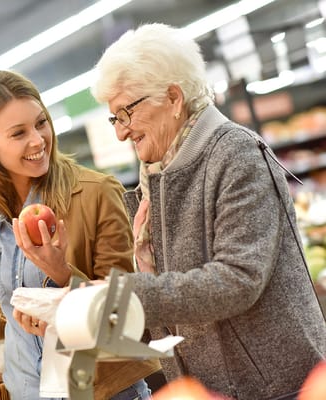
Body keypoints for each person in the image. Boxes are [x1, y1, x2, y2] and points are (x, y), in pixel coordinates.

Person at [88, 23, 326, 400]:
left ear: (173, 97)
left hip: (274, 386)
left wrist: (132, 292)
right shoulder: (157, 176)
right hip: (206, 387)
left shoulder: (236, 154)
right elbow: (173, 300)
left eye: (125, 113)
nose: (120, 132)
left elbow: (238, 278)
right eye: (113, 117)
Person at [0, 70, 161, 400]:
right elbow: (13, 314)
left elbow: (126, 314)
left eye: (41, 122)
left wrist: (61, 273)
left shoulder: (95, 194)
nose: (38, 140)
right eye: (18, 133)